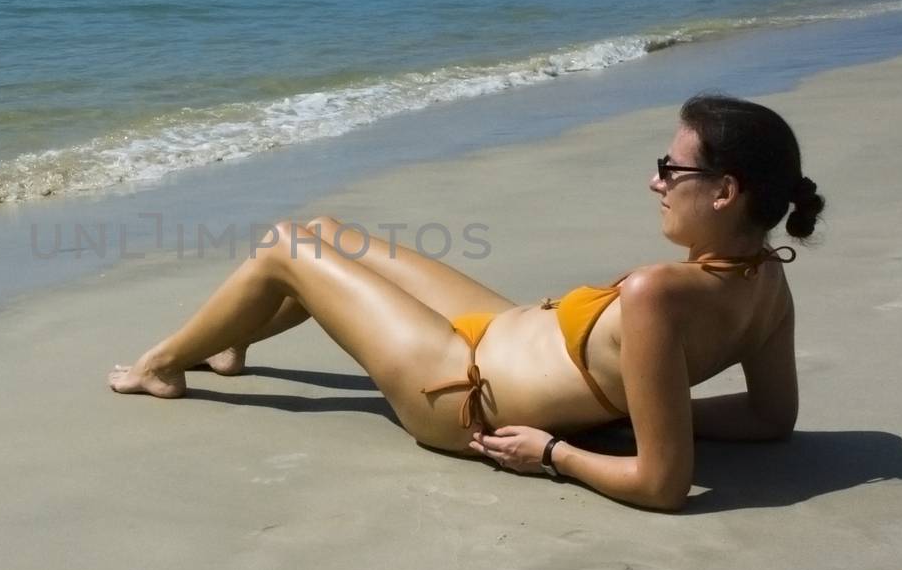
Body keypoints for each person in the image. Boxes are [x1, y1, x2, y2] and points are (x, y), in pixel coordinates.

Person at [108, 93, 826, 511]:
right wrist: (646, 410)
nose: (654, 181)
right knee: (327, 233)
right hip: (498, 329)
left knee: (285, 245)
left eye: (671, 169)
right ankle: (234, 337)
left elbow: (664, 486)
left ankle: (162, 365)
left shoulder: (659, 294)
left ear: (725, 191)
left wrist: (556, 451)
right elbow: (771, 418)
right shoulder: (765, 279)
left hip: (462, 391)